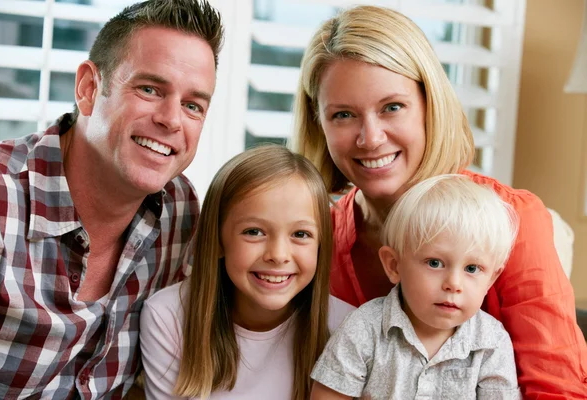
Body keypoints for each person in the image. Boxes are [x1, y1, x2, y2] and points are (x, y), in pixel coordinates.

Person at [292, 5, 587, 399]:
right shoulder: (313, 237)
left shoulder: (515, 220)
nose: (371, 138)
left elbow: (555, 390)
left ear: (429, 105)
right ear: (319, 125)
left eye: (392, 107)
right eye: (343, 115)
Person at [0, 0, 223, 398]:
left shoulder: (181, 210)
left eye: (192, 105)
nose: (171, 119)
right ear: (88, 89)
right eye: (150, 89)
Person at [139, 145, 355, 400]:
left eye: (300, 234)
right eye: (254, 232)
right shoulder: (168, 317)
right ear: (217, 240)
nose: (278, 254)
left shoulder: (348, 328)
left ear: (320, 245)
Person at [310, 174, 520, 399]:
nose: (453, 284)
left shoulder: (491, 343)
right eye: (434, 263)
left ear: (490, 279)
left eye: (472, 269)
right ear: (394, 265)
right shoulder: (364, 328)